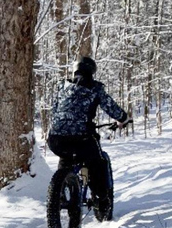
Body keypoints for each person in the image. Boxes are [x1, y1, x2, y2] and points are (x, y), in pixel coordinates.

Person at [47, 56, 128, 215]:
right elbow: (111, 108)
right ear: (92, 71)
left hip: (55, 139)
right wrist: (124, 119)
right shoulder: (95, 88)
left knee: (65, 157)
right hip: (82, 138)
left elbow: (55, 111)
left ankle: (61, 192)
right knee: (98, 161)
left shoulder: (61, 86)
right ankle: (102, 198)